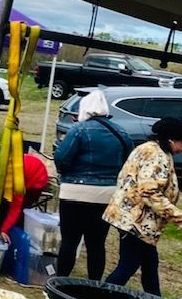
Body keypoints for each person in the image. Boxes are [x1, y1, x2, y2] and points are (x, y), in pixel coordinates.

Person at [104, 117, 182, 296]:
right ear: (170, 140)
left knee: (150, 266)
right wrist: (178, 216)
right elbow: (149, 193)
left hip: (133, 219)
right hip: (136, 222)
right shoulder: (155, 155)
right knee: (127, 268)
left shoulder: (153, 150)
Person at [53, 90, 133, 280]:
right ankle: (93, 284)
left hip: (75, 192)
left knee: (69, 242)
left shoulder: (79, 130)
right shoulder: (121, 132)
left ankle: (59, 281)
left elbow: (62, 159)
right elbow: (128, 162)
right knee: (97, 243)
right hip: (106, 194)